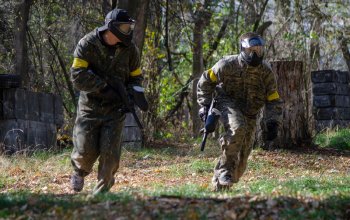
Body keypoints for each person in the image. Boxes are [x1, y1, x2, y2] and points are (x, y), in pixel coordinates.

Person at [69, 9, 145, 194]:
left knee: (111, 156)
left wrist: (133, 95)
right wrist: (103, 88)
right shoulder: (88, 43)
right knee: (85, 151)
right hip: (90, 106)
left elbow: (136, 77)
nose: (128, 31)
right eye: (125, 27)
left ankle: (101, 194)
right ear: (111, 28)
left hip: (115, 109)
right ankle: (79, 171)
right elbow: (77, 75)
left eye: (129, 27)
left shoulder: (130, 50)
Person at [197, 32, 283, 191]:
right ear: (243, 50)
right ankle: (224, 170)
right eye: (251, 50)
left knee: (242, 160)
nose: (255, 54)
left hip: (250, 112)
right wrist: (205, 105)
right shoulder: (227, 65)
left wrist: (273, 121)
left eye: (258, 50)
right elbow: (206, 81)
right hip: (226, 103)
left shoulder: (266, 71)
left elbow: (273, 98)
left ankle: (220, 186)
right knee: (238, 128)